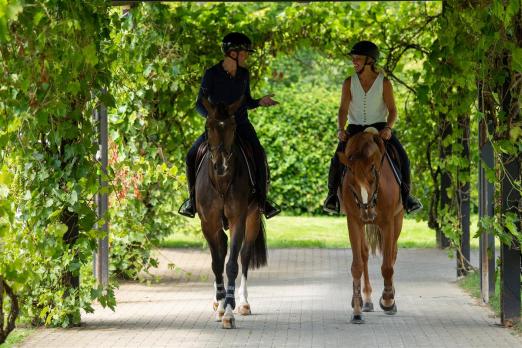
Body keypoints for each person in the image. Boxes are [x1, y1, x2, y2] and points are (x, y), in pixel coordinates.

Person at [179, 32, 281, 219]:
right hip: (217, 128)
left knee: (259, 153)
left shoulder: (244, 74)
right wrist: (212, 119)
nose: (247, 56)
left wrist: (259, 102)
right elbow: (199, 104)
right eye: (244, 53)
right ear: (232, 53)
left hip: (240, 125)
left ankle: (262, 201)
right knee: (191, 155)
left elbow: (246, 101)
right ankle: (192, 201)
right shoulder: (211, 74)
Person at [323, 40, 422, 214]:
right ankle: (332, 196)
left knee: (403, 157)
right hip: (354, 129)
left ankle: (407, 197)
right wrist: (341, 129)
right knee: (336, 160)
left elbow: (392, 110)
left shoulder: (384, 83)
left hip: (380, 129)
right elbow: (343, 109)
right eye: (353, 58)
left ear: (370, 61)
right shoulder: (348, 83)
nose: (354, 61)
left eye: (358, 58)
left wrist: (388, 128)